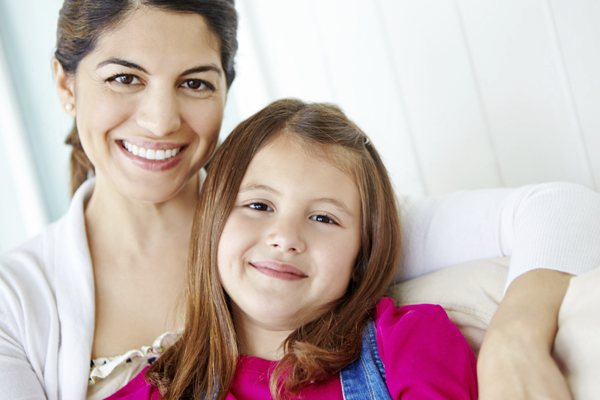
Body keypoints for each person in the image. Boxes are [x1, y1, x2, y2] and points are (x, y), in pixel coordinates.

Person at [0, 1, 599, 399]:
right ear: (65, 85)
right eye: (124, 77)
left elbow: (560, 210)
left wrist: (515, 338)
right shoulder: (15, 305)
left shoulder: (313, 223)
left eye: (196, 82)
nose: (160, 121)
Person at [110, 98, 479, 399]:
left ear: (362, 254)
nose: (285, 238)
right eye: (259, 206)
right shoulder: (157, 389)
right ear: (213, 222)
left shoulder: (411, 344)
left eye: (323, 218)